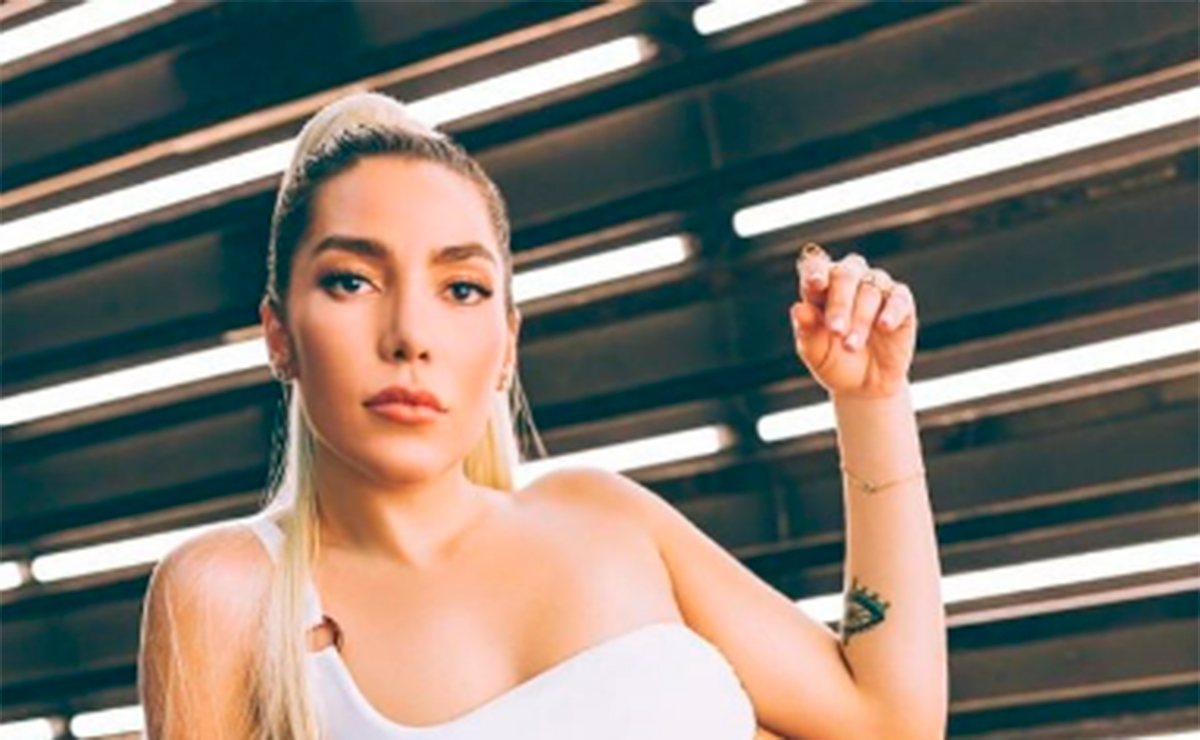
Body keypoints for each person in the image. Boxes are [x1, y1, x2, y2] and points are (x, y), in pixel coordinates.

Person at [138, 91, 947, 740]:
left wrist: (871, 399)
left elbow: (887, 723)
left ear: (507, 346)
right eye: (353, 280)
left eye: (461, 289)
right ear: (279, 333)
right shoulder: (229, 596)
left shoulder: (605, 515)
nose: (410, 335)